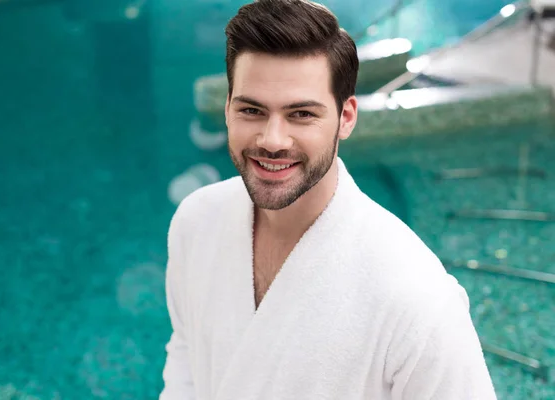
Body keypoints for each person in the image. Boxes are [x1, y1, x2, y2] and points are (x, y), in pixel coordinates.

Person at [159, 1, 498, 399]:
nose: (272, 140)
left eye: (301, 114)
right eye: (252, 110)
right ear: (228, 109)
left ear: (346, 117)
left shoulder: (416, 299)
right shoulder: (197, 221)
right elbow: (186, 356)